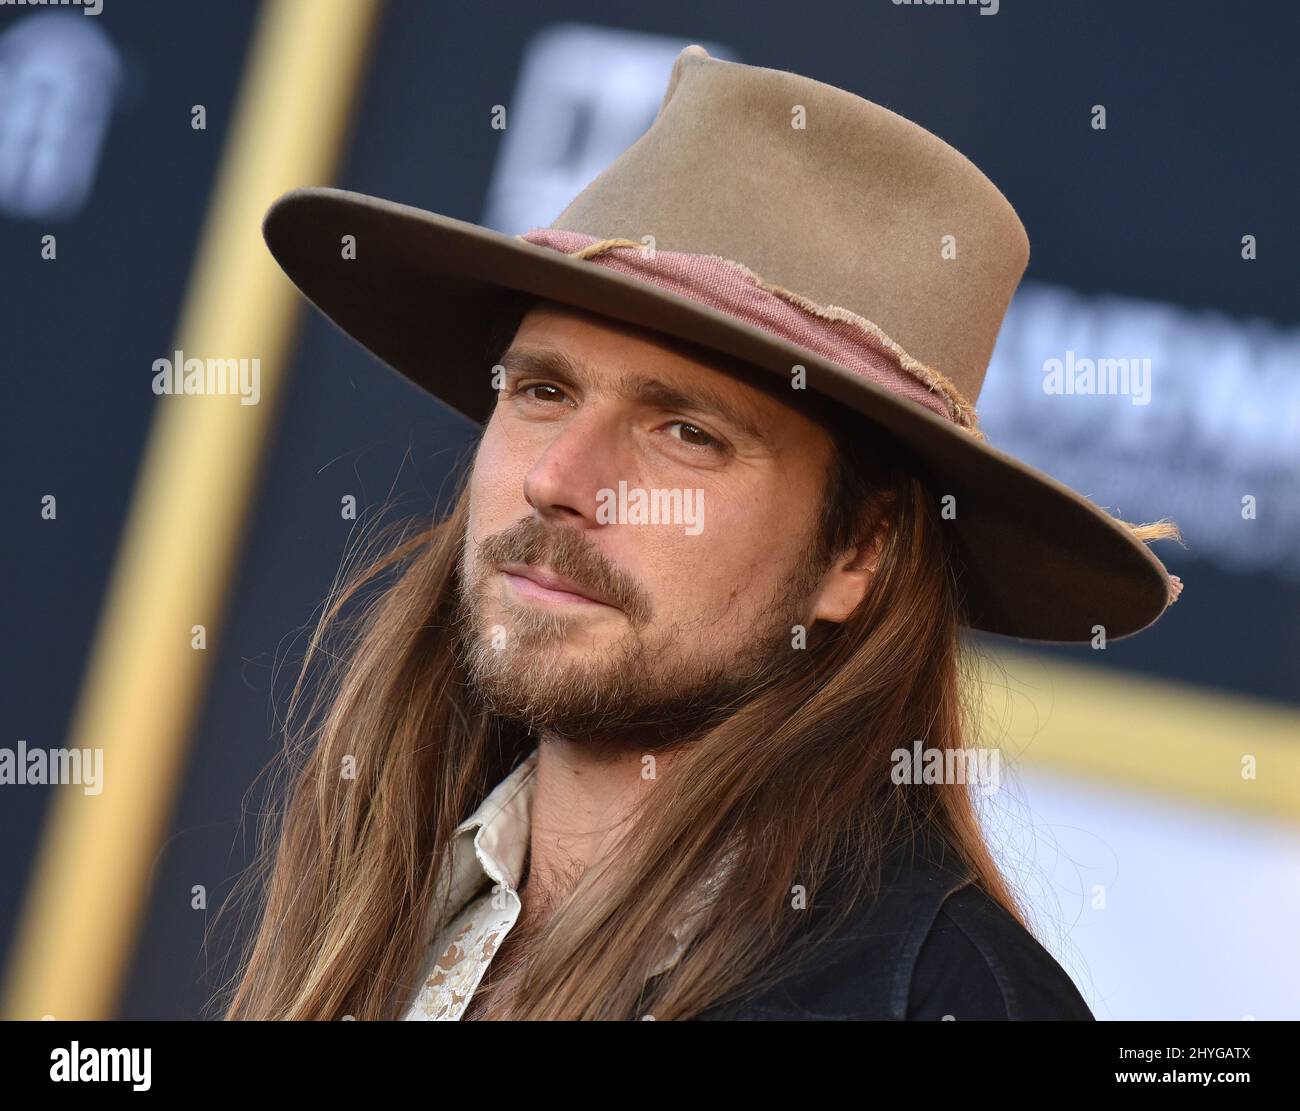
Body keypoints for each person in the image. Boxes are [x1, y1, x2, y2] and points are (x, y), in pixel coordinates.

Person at [222, 46, 1182, 1021]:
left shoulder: (943, 1001)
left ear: (860, 554)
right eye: (543, 390)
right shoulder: (376, 894)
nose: (558, 479)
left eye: (686, 432)